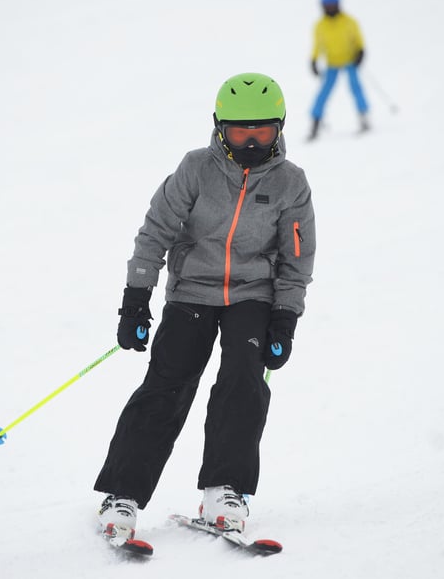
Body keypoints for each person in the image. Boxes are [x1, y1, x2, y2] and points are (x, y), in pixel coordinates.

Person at [94, 72, 316, 542]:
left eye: (262, 132)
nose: (251, 143)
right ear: (219, 128)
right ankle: (122, 495)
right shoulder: (196, 168)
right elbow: (155, 231)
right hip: (192, 291)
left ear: (279, 128)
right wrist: (135, 300)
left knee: (243, 383)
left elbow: (296, 259)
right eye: (239, 132)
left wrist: (285, 318)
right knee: (167, 386)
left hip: (252, 295)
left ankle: (224, 491)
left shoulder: (291, 183)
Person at [309, 0, 370, 140]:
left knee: (356, 88)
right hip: (332, 63)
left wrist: (360, 52)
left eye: (332, 5)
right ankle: (315, 123)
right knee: (324, 92)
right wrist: (314, 60)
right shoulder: (320, 25)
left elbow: (358, 39)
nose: (330, 8)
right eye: (327, 6)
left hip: (349, 61)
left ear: (338, 5)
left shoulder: (349, 21)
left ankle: (364, 118)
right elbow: (317, 45)